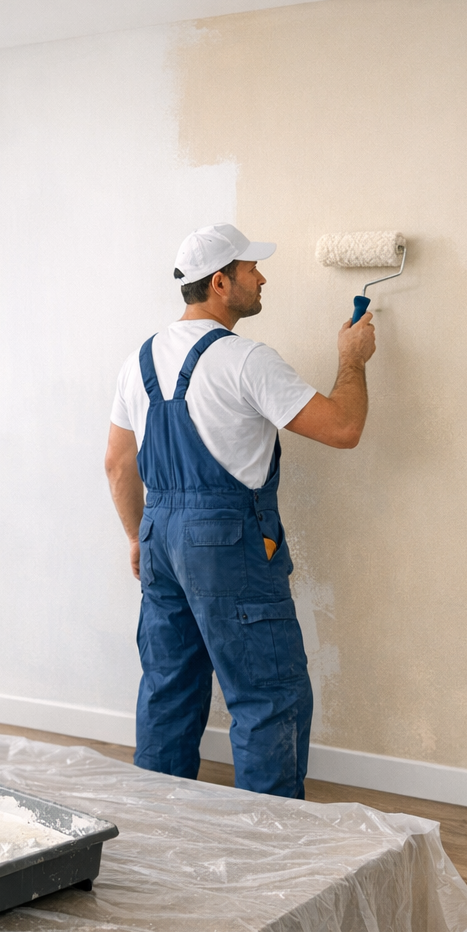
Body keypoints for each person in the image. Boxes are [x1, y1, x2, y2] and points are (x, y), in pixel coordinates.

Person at [105, 223, 376, 798]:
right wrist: (352, 360)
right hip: (227, 540)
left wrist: (137, 538)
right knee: (267, 693)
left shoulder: (139, 361)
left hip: (160, 537)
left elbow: (117, 464)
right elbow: (344, 428)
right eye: (252, 270)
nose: (263, 278)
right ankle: (268, 844)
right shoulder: (246, 359)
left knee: (168, 689)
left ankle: (161, 828)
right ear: (221, 282)